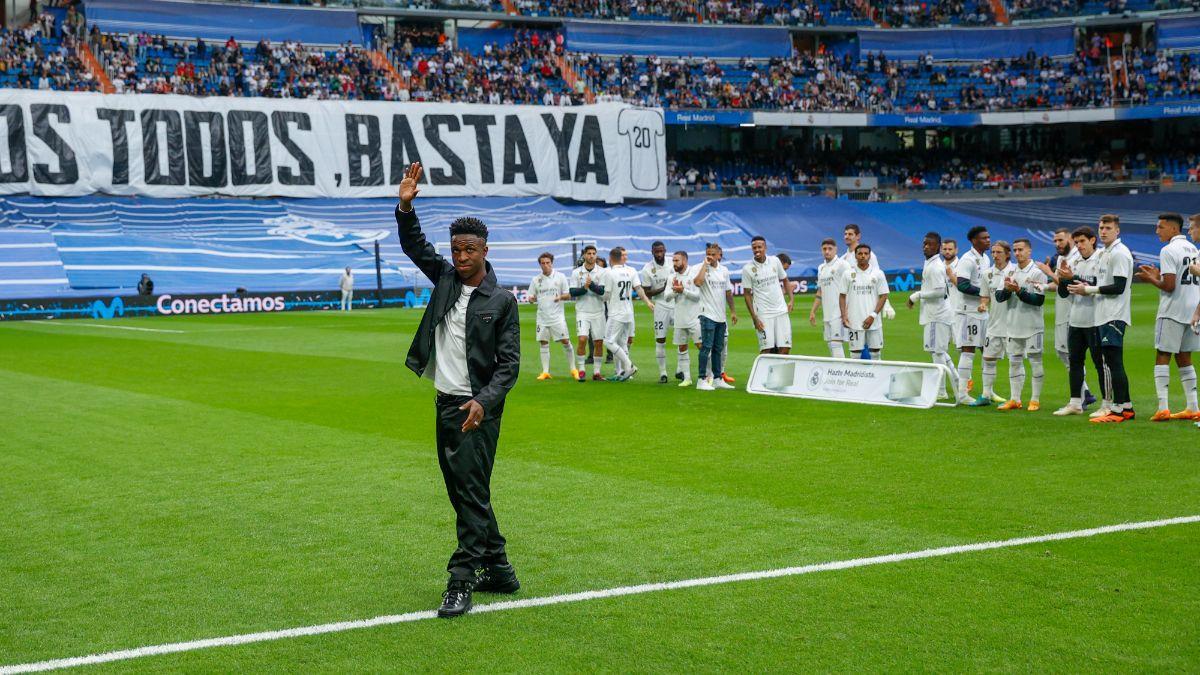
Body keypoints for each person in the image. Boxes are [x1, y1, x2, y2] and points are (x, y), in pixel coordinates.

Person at [394, 162, 520, 619]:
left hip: (477, 412)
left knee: (468, 495)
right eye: (456, 249)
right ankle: (500, 569)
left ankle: (461, 580)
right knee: (465, 492)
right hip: (445, 403)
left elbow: (509, 368)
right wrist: (406, 206)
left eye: (469, 249)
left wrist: (482, 404)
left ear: (485, 250)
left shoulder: (502, 301)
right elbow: (415, 246)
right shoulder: (445, 279)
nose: (461, 256)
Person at [1136, 212, 1200, 421]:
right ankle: (1193, 406)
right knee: (1185, 357)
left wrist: (1151, 279)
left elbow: (1170, 286)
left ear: (1173, 229)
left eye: (1160, 227)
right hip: (1193, 310)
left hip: (1173, 310)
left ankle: (1163, 406)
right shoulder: (1194, 250)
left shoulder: (1168, 250)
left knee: (1163, 354)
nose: (1157, 231)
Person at [1079, 215, 1134, 423]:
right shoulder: (1105, 253)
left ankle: (1118, 410)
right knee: (1112, 362)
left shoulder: (1119, 253)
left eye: (1108, 228)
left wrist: (1089, 290)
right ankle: (1126, 406)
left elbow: (1119, 287)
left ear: (1117, 231)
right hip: (1103, 314)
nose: (1103, 231)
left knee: (1114, 363)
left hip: (1114, 315)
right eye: (1101, 227)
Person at [1036, 228, 1096, 410]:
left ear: (1071, 239)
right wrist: (1045, 287)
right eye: (1055, 241)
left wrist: (1048, 272)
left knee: (1070, 355)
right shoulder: (1062, 259)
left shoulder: (1078, 258)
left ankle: (1084, 395)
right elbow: (1060, 285)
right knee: (1064, 353)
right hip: (1063, 310)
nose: (1057, 244)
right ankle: (1084, 393)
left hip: (1074, 312)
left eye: (1061, 240)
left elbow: (1071, 283)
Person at [1053, 227, 1105, 417]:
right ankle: (1075, 403)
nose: (1079, 246)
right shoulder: (1073, 261)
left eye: (1082, 241)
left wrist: (1072, 277)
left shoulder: (1101, 259)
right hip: (1075, 318)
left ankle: (1107, 403)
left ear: (1092, 240)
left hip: (1096, 318)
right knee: (1075, 362)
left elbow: (1102, 287)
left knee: (1100, 363)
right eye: (1077, 242)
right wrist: (1063, 279)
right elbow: (1063, 293)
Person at [997, 238, 1048, 411]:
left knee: (1035, 361)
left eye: (1020, 250)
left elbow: (1038, 300)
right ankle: (1015, 399)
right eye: (1015, 250)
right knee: (1014, 362)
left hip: (1033, 326)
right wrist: (1006, 289)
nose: (1017, 253)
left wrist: (1018, 290)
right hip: (1013, 325)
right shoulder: (1009, 270)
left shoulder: (1038, 272)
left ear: (1029, 251)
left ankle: (1035, 399)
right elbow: (999, 298)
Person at [907, 232, 955, 398]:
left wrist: (917, 295)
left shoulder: (935, 266)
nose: (926, 247)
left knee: (937, 352)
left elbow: (940, 291)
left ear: (938, 248)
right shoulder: (930, 262)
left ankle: (941, 391)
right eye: (925, 244)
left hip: (937, 315)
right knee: (938, 351)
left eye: (931, 244)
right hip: (936, 314)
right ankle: (956, 380)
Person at [948, 226, 992, 404]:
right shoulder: (967, 260)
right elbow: (963, 285)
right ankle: (963, 393)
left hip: (982, 311)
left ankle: (988, 392)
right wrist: (986, 293)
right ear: (974, 241)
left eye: (988, 237)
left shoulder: (986, 258)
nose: (988, 240)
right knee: (968, 351)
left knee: (988, 351)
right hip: (967, 312)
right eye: (984, 238)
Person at [603, 246, 654, 381]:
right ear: (621, 258)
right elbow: (639, 289)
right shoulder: (631, 271)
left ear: (611, 259)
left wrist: (599, 297)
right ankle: (623, 372)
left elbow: (606, 295)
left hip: (616, 313)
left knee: (608, 342)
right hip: (628, 313)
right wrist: (648, 302)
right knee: (622, 342)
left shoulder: (609, 273)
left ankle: (629, 365)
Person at [976, 241, 1015, 406]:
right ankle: (986, 395)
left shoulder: (1015, 271)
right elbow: (985, 296)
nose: (995, 255)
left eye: (999, 252)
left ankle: (1015, 398)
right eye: (993, 252)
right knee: (988, 359)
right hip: (993, 324)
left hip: (1012, 325)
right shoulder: (987, 274)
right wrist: (983, 304)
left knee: (1015, 362)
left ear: (1007, 254)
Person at [741, 236, 794, 355]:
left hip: (781, 311)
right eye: (754, 248)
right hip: (763, 314)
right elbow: (747, 295)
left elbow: (785, 279)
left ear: (765, 247)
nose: (757, 250)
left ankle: (779, 374)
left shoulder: (775, 261)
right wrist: (754, 318)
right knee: (766, 350)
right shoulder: (747, 269)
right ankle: (764, 374)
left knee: (785, 348)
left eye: (759, 247)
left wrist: (791, 299)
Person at [529, 253, 576, 381]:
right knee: (543, 342)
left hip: (557, 317)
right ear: (540, 264)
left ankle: (573, 369)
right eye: (543, 263)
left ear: (552, 263)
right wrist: (531, 299)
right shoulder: (536, 280)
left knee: (565, 341)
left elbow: (568, 295)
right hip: (542, 317)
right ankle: (545, 372)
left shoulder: (560, 277)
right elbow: (531, 298)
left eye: (548, 263)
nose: (545, 265)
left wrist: (560, 297)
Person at [694, 243, 735, 390]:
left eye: (713, 254)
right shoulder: (702, 267)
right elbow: (697, 282)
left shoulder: (724, 270)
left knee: (718, 348)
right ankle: (701, 380)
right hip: (707, 314)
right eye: (708, 253)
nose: (710, 256)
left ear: (719, 255)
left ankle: (717, 378)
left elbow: (728, 292)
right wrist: (705, 266)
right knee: (706, 347)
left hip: (721, 316)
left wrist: (733, 311)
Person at [839, 243, 888, 360]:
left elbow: (884, 295)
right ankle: (856, 378)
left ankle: (877, 377)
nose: (863, 256)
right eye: (860, 253)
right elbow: (842, 296)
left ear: (870, 256)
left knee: (875, 352)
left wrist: (873, 315)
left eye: (866, 254)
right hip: (854, 320)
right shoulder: (847, 274)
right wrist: (844, 316)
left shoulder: (878, 273)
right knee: (855, 354)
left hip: (874, 321)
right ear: (855, 256)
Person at [570, 245, 608, 382]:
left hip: (598, 311)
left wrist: (590, 285)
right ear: (584, 256)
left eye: (593, 253)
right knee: (582, 339)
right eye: (589, 253)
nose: (591, 256)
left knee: (598, 342)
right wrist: (585, 288)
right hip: (582, 311)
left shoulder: (602, 272)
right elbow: (572, 292)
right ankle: (581, 370)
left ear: (596, 255)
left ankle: (597, 372)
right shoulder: (576, 273)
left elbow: (602, 291)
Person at [640, 241, 676, 383]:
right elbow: (647, 293)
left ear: (665, 250)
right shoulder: (647, 269)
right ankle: (663, 373)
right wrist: (664, 287)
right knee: (660, 339)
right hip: (660, 306)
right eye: (657, 252)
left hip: (676, 303)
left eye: (661, 251)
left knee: (682, 336)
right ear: (652, 252)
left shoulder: (673, 263)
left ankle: (681, 370)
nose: (659, 254)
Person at [811, 238, 851, 358]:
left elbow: (852, 285)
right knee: (830, 344)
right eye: (824, 249)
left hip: (839, 312)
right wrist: (813, 311)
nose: (827, 251)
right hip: (827, 313)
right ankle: (837, 372)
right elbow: (820, 291)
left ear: (835, 249)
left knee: (836, 344)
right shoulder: (821, 268)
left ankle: (842, 373)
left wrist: (847, 312)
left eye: (830, 249)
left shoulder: (842, 264)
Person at [669, 250, 702, 387]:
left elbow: (698, 296)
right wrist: (674, 291)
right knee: (682, 348)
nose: (674, 263)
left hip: (695, 318)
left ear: (685, 261)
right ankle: (687, 378)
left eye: (677, 260)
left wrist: (683, 290)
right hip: (680, 319)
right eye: (673, 261)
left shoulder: (693, 274)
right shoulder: (671, 276)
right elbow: (666, 297)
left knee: (702, 347)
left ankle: (710, 375)